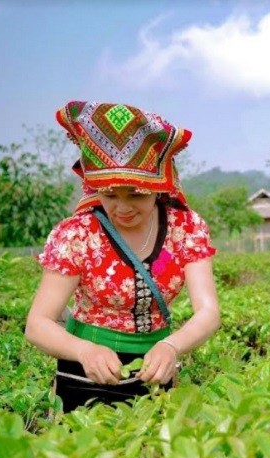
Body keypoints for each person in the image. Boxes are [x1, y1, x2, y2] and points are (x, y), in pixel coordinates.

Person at [25, 101, 221, 413]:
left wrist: (171, 346)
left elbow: (208, 311)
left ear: (160, 186)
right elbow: (38, 323)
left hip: (157, 369)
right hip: (84, 373)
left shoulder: (186, 227)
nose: (123, 208)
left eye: (137, 195)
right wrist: (85, 351)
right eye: (111, 195)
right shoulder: (77, 234)